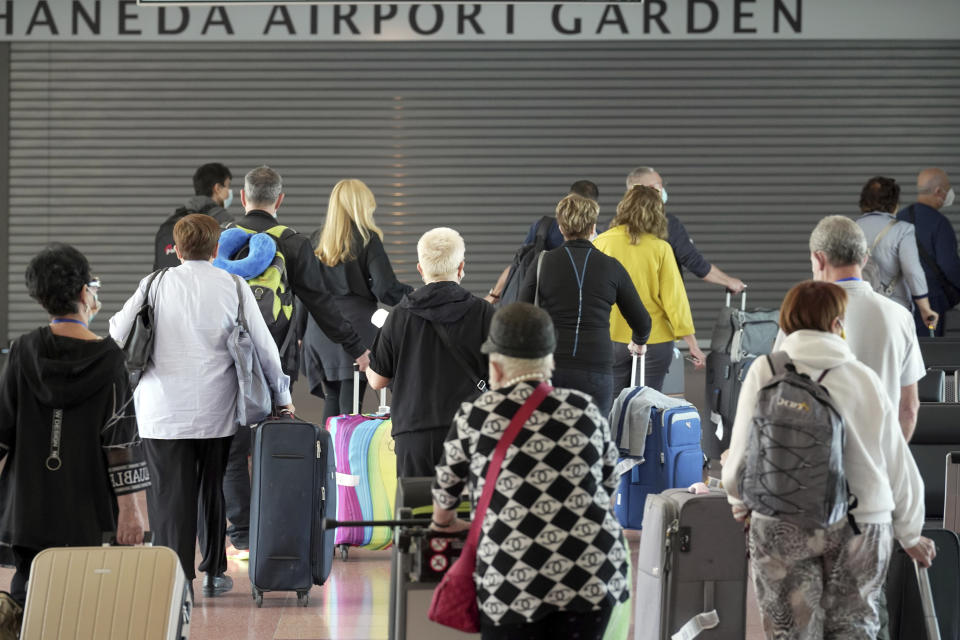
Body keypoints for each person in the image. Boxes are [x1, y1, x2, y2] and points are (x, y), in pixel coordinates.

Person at [722, 281, 934, 640]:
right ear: (838, 324)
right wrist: (910, 532)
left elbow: (739, 456)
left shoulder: (766, 370)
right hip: (862, 524)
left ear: (787, 321)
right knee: (855, 629)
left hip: (781, 518)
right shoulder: (863, 377)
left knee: (790, 631)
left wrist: (738, 502)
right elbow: (897, 463)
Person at [110, 214, 292, 597]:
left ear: (175, 248)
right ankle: (212, 573)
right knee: (213, 486)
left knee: (169, 495)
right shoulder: (234, 285)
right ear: (215, 250)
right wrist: (283, 397)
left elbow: (117, 331)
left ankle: (178, 581)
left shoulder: (154, 283)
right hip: (218, 410)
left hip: (161, 413)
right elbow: (265, 348)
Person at [431, 302, 630, 639]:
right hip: (593, 575)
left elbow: (445, 490)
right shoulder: (584, 409)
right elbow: (609, 482)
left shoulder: (475, 415)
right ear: (549, 361)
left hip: (513, 579)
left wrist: (444, 523)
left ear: (495, 365)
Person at [220, 165, 371, 557]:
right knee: (276, 443)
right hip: (277, 362)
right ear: (280, 200)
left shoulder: (223, 242)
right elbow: (322, 305)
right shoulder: (293, 243)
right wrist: (357, 348)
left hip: (228, 359)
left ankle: (241, 535)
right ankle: (275, 528)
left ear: (242, 197)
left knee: (234, 448)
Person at [0, 244, 148, 610]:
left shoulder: (22, 351)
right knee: (89, 602)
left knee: (28, 595)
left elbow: (1, 434)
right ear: (85, 293)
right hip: (90, 509)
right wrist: (131, 511)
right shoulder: (111, 360)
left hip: (28, 507)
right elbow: (121, 441)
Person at [774, 216, 926, 441]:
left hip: (814, 463)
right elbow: (909, 408)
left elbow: (776, 396)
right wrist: (889, 462)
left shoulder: (802, 314)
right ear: (864, 259)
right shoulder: (900, 316)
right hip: (878, 463)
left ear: (818, 259)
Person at [367, 227, 495, 477]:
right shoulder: (484, 313)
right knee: (470, 512)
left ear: (420, 269)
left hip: (415, 436)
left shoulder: (399, 316)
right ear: (461, 268)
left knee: (417, 512)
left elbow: (377, 379)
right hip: (471, 432)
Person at [518, 193, 651, 416]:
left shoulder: (543, 261)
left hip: (551, 367)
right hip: (596, 369)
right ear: (593, 228)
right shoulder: (611, 267)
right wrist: (639, 342)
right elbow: (642, 321)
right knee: (593, 439)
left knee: (549, 437)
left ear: (561, 227)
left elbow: (520, 312)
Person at [304, 179, 413, 425]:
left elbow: (304, 288)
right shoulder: (367, 239)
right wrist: (415, 296)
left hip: (319, 328)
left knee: (332, 397)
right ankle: (346, 461)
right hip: (356, 326)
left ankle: (328, 461)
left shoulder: (315, 240)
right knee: (352, 402)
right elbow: (386, 288)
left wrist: (302, 332)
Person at [594, 185, 706, 394]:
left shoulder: (601, 242)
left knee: (611, 403)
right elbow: (675, 300)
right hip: (654, 339)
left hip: (610, 337)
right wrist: (692, 344)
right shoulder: (660, 248)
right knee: (648, 404)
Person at [626, 167, 746, 293]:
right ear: (651, 189)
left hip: (620, 307)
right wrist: (729, 282)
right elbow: (694, 262)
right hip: (658, 306)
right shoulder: (666, 224)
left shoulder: (611, 227)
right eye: (660, 185)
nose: (663, 190)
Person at [486, 180, 599, 303]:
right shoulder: (603, 239)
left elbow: (520, 263)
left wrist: (494, 295)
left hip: (541, 306)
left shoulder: (545, 227)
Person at [855, 176, 938, 328]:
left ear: (864, 201)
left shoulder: (850, 228)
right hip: (893, 311)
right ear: (894, 204)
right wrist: (925, 308)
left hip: (857, 311)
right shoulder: (903, 230)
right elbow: (912, 271)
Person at [897, 168, 960, 336]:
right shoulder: (940, 224)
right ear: (938, 191)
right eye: (947, 189)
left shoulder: (900, 218)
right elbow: (950, 266)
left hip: (901, 300)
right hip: (931, 303)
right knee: (929, 352)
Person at [154, 162, 235, 270]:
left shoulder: (174, 216)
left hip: (171, 285)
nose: (229, 193)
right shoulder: (222, 218)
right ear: (218, 188)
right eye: (227, 186)